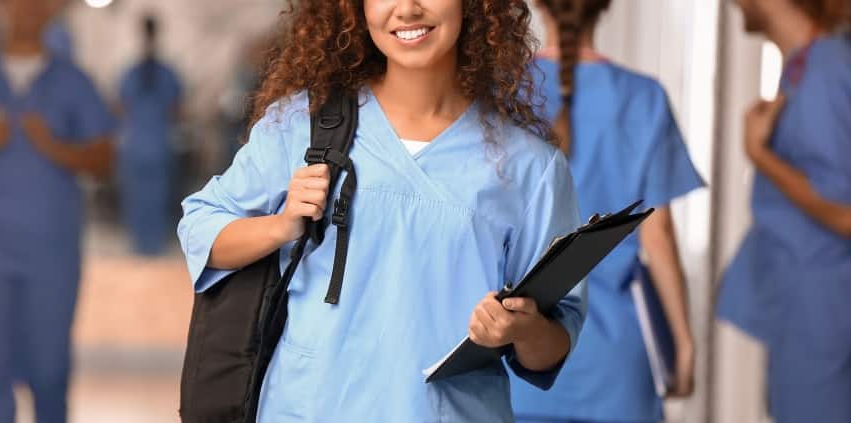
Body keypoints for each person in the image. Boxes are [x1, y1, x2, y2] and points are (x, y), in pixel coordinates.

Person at [178, 0, 586, 420]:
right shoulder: (304, 124)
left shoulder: (528, 166)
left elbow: (554, 341)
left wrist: (521, 328)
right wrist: (282, 226)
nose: (407, 9)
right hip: (309, 407)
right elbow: (201, 229)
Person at [507, 1, 703, 422]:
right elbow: (659, 234)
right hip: (617, 367)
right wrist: (683, 344)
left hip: (518, 361)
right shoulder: (644, 98)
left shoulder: (502, 93)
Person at [0, 0, 113, 421]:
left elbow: (105, 158)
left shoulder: (73, 82)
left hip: (52, 251)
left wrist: (55, 147)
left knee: (50, 370)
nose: (25, 7)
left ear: (51, 9)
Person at [717, 0, 851, 422]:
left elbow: (847, 211)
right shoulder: (806, 65)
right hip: (803, 307)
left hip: (821, 311)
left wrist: (759, 153)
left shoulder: (829, 70)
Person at [116, 15, 183, 256]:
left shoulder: (134, 73)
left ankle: (145, 246)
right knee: (148, 198)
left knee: (146, 198)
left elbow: (119, 107)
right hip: (153, 143)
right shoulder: (162, 74)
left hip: (141, 144)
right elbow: (177, 109)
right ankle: (148, 246)